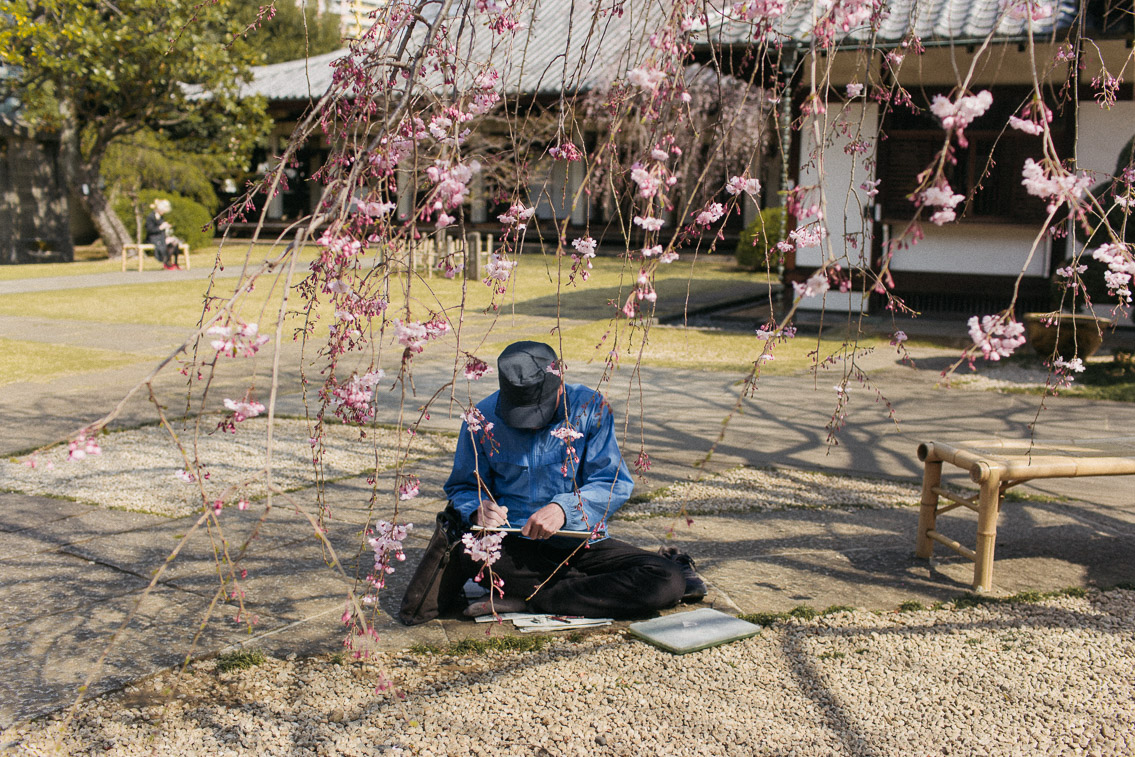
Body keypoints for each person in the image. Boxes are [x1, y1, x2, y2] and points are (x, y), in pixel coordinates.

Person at [443, 341, 706, 619]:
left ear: (560, 385)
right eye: (521, 415)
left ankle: (530, 597)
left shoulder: (590, 408)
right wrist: (477, 507)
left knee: (667, 580)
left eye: (539, 412)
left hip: (580, 543)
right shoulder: (480, 419)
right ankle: (561, 595)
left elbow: (612, 482)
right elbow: (462, 486)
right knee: (471, 556)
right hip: (512, 547)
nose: (531, 424)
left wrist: (564, 510)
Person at [143, 198, 184, 270]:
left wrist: (166, 226)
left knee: (174, 242)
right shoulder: (150, 216)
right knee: (167, 243)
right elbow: (150, 230)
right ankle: (166, 263)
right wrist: (160, 228)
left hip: (161, 237)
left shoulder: (160, 216)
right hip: (153, 238)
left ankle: (175, 263)